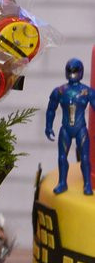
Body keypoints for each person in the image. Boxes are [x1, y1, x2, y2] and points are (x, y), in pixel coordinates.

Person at [46, 58, 95, 195]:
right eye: (70, 70)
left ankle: (87, 184)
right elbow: (51, 109)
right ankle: (62, 183)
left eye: (75, 70)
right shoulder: (60, 91)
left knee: (85, 158)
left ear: (81, 72)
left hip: (81, 129)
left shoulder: (87, 92)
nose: (73, 73)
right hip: (66, 129)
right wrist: (48, 126)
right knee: (62, 157)